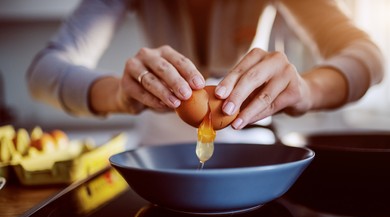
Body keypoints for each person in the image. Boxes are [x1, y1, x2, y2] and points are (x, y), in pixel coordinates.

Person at [27, 0, 384, 145]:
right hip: (158, 151)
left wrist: (306, 91)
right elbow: (43, 71)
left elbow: (370, 57)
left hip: (252, 145)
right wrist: (119, 95)